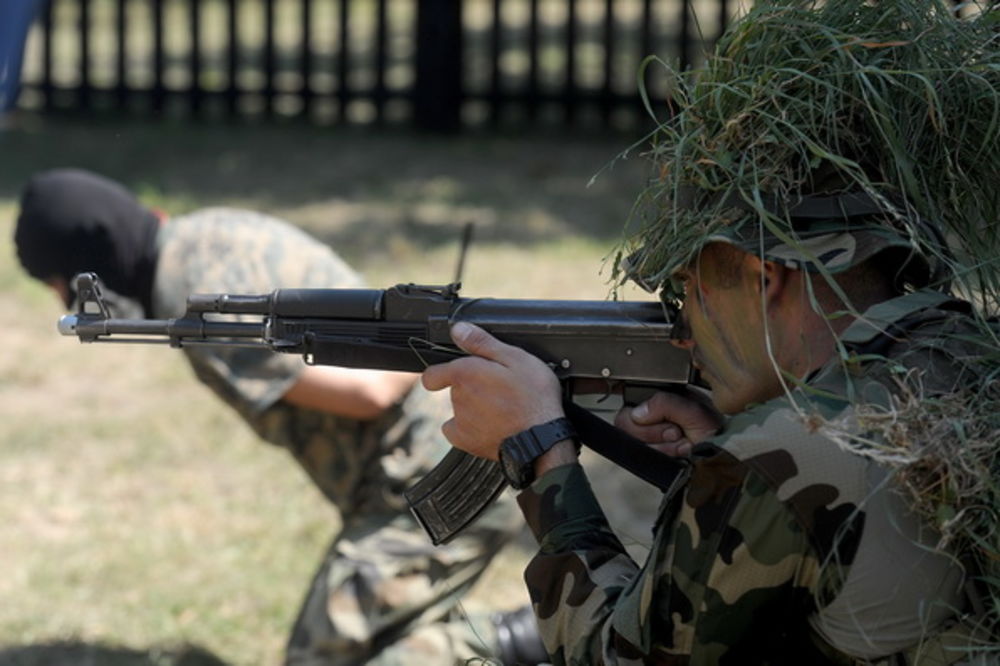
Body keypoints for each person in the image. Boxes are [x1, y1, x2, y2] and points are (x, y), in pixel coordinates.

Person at [420, 0, 1000, 663]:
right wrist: (725, 466)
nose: (683, 326)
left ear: (762, 276)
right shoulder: (960, 352)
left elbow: (618, 658)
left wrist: (538, 452)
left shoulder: (786, 453)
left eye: (688, 286)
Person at [13, 168, 549, 666]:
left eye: (60, 283)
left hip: (435, 477)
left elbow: (370, 391)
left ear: (90, 260)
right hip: (432, 468)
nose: (64, 299)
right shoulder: (205, 233)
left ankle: (528, 641)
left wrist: (423, 344)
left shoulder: (190, 289)